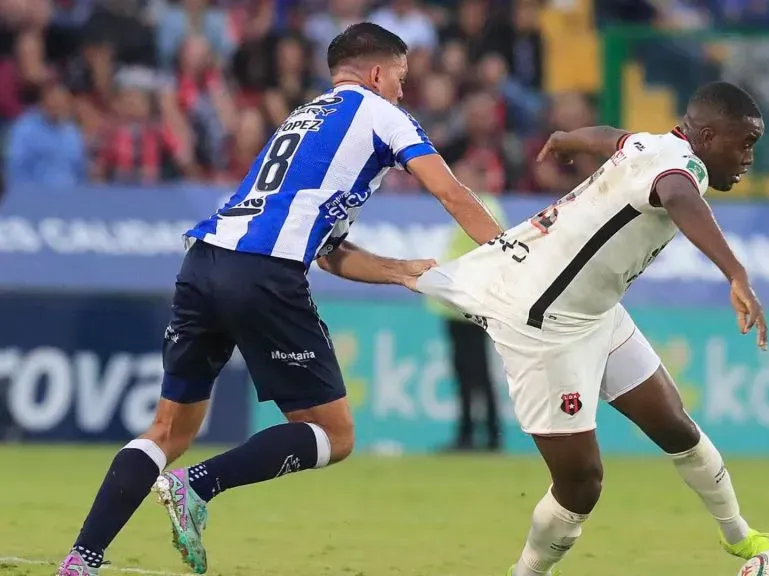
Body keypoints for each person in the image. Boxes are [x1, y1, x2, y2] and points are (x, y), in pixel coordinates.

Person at [57, 23, 501, 576]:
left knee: (168, 430)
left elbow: (328, 253)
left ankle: (81, 559)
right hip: (263, 273)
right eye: (401, 78)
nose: (403, 91)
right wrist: (512, 257)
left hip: (205, 261)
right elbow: (451, 191)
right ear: (377, 73)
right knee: (336, 435)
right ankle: (197, 485)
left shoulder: (304, 118)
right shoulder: (382, 114)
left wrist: (396, 270)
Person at [417, 81, 769, 576]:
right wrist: (736, 273)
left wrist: (568, 138)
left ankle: (739, 536)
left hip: (597, 312)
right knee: (581, 484)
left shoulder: (652, 144)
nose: (749, 157)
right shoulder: (682, 170)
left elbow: (611, 137)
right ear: (706, 136)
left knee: (674, 425)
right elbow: (677, 193)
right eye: (744, 143)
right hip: (546, 322)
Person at [428, 164, 507, 452]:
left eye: (467, 174)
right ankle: (478, 435)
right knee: (470, 373)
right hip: (460, 305)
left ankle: (480, 436)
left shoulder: (481, 208)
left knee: (474, 373)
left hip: (468, 305)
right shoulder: (479, 207)